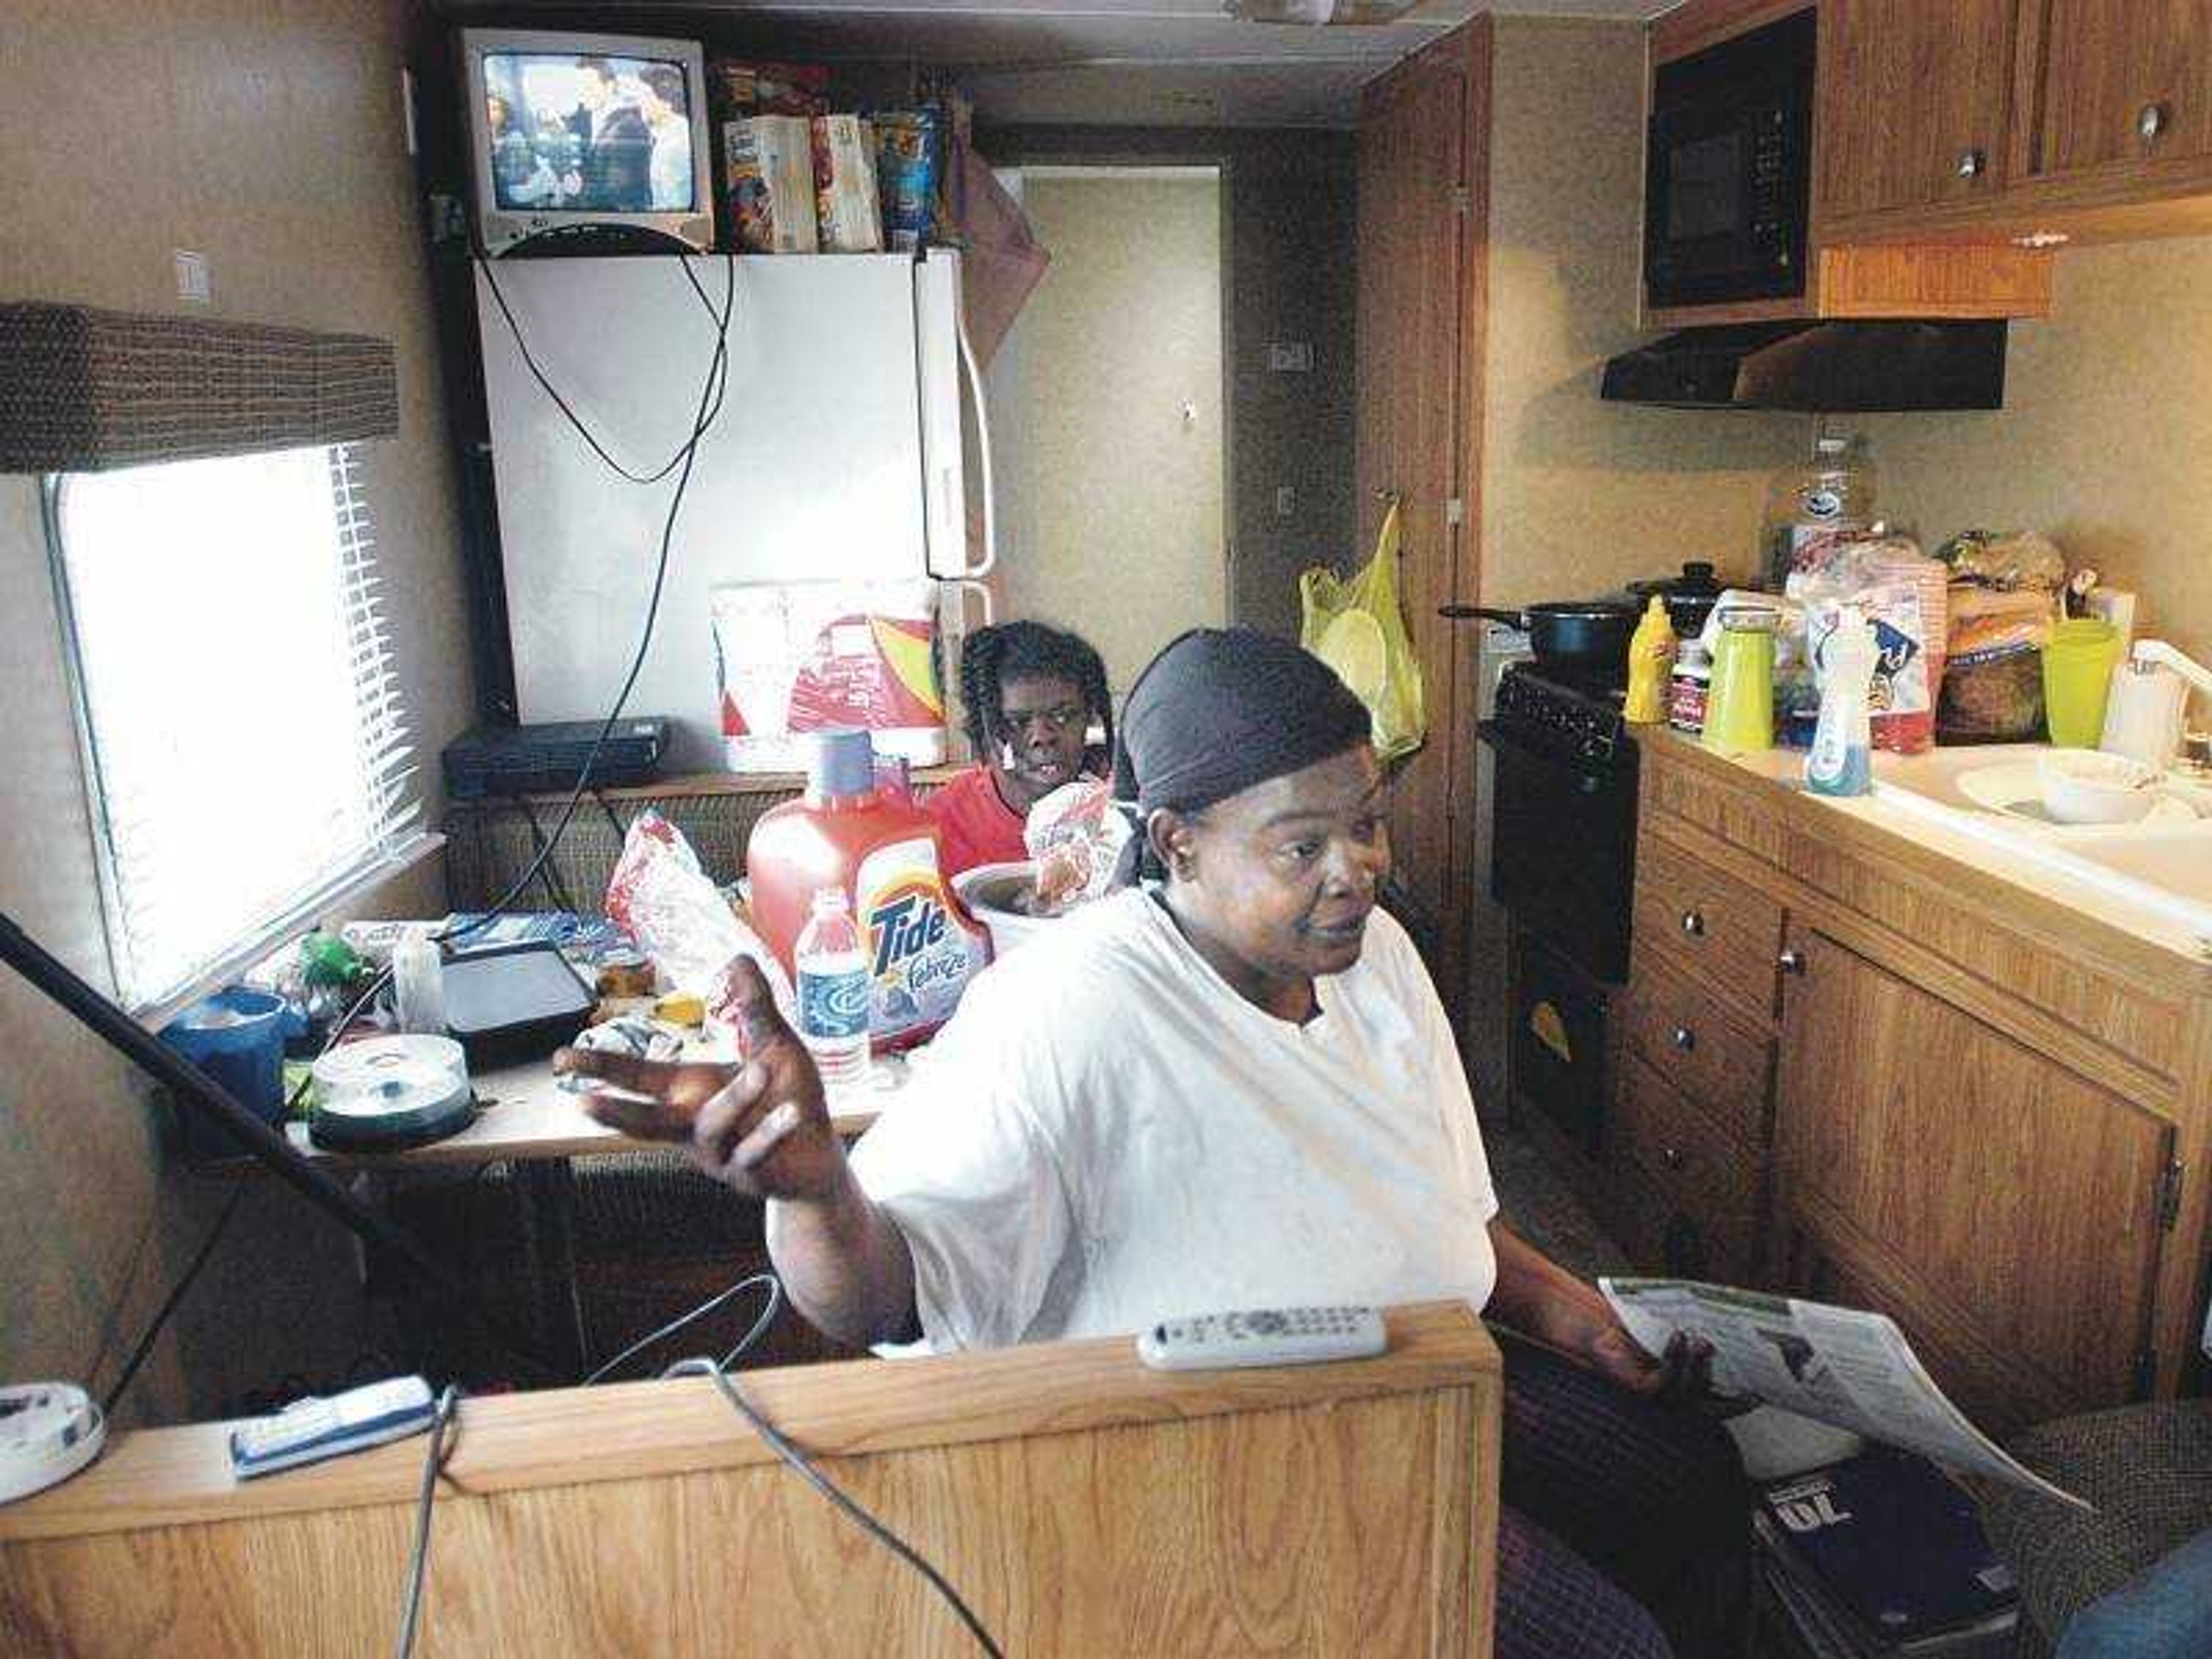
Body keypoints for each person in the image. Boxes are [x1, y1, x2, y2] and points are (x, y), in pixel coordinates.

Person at [557, 627, 1746, 1657]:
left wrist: (1564, 1309)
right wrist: (813, 1192)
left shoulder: (1374, 955)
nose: (1358, 872)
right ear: (1175, 842)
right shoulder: (1069, 1011)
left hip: (1412, 1377)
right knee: (1610, 1646)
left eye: (1369, 826)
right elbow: (881, 1302)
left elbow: (1448, 1204)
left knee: (1693, 1483)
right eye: (1303, 847)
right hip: (1228, 1463)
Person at [923, 620, 1113, 877]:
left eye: (1064, 716)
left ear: (1089, 717)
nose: (1042, 738)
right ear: (985, 729)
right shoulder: (942, 824)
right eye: (1018, 723)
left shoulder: (1123, 804)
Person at [569, 56, 652, 212]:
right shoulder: (591, 116)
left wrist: (579, 189)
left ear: (610, 86)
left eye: (588, 88)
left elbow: (620, 190)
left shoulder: (629, 127)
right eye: (578, 89)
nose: (581, 95)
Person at [638, 64, 694, 213]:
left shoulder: (673, 147)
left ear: (666, 102)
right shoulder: (674, 136)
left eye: (646, 97)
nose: (641, 104)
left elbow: (674, 208)